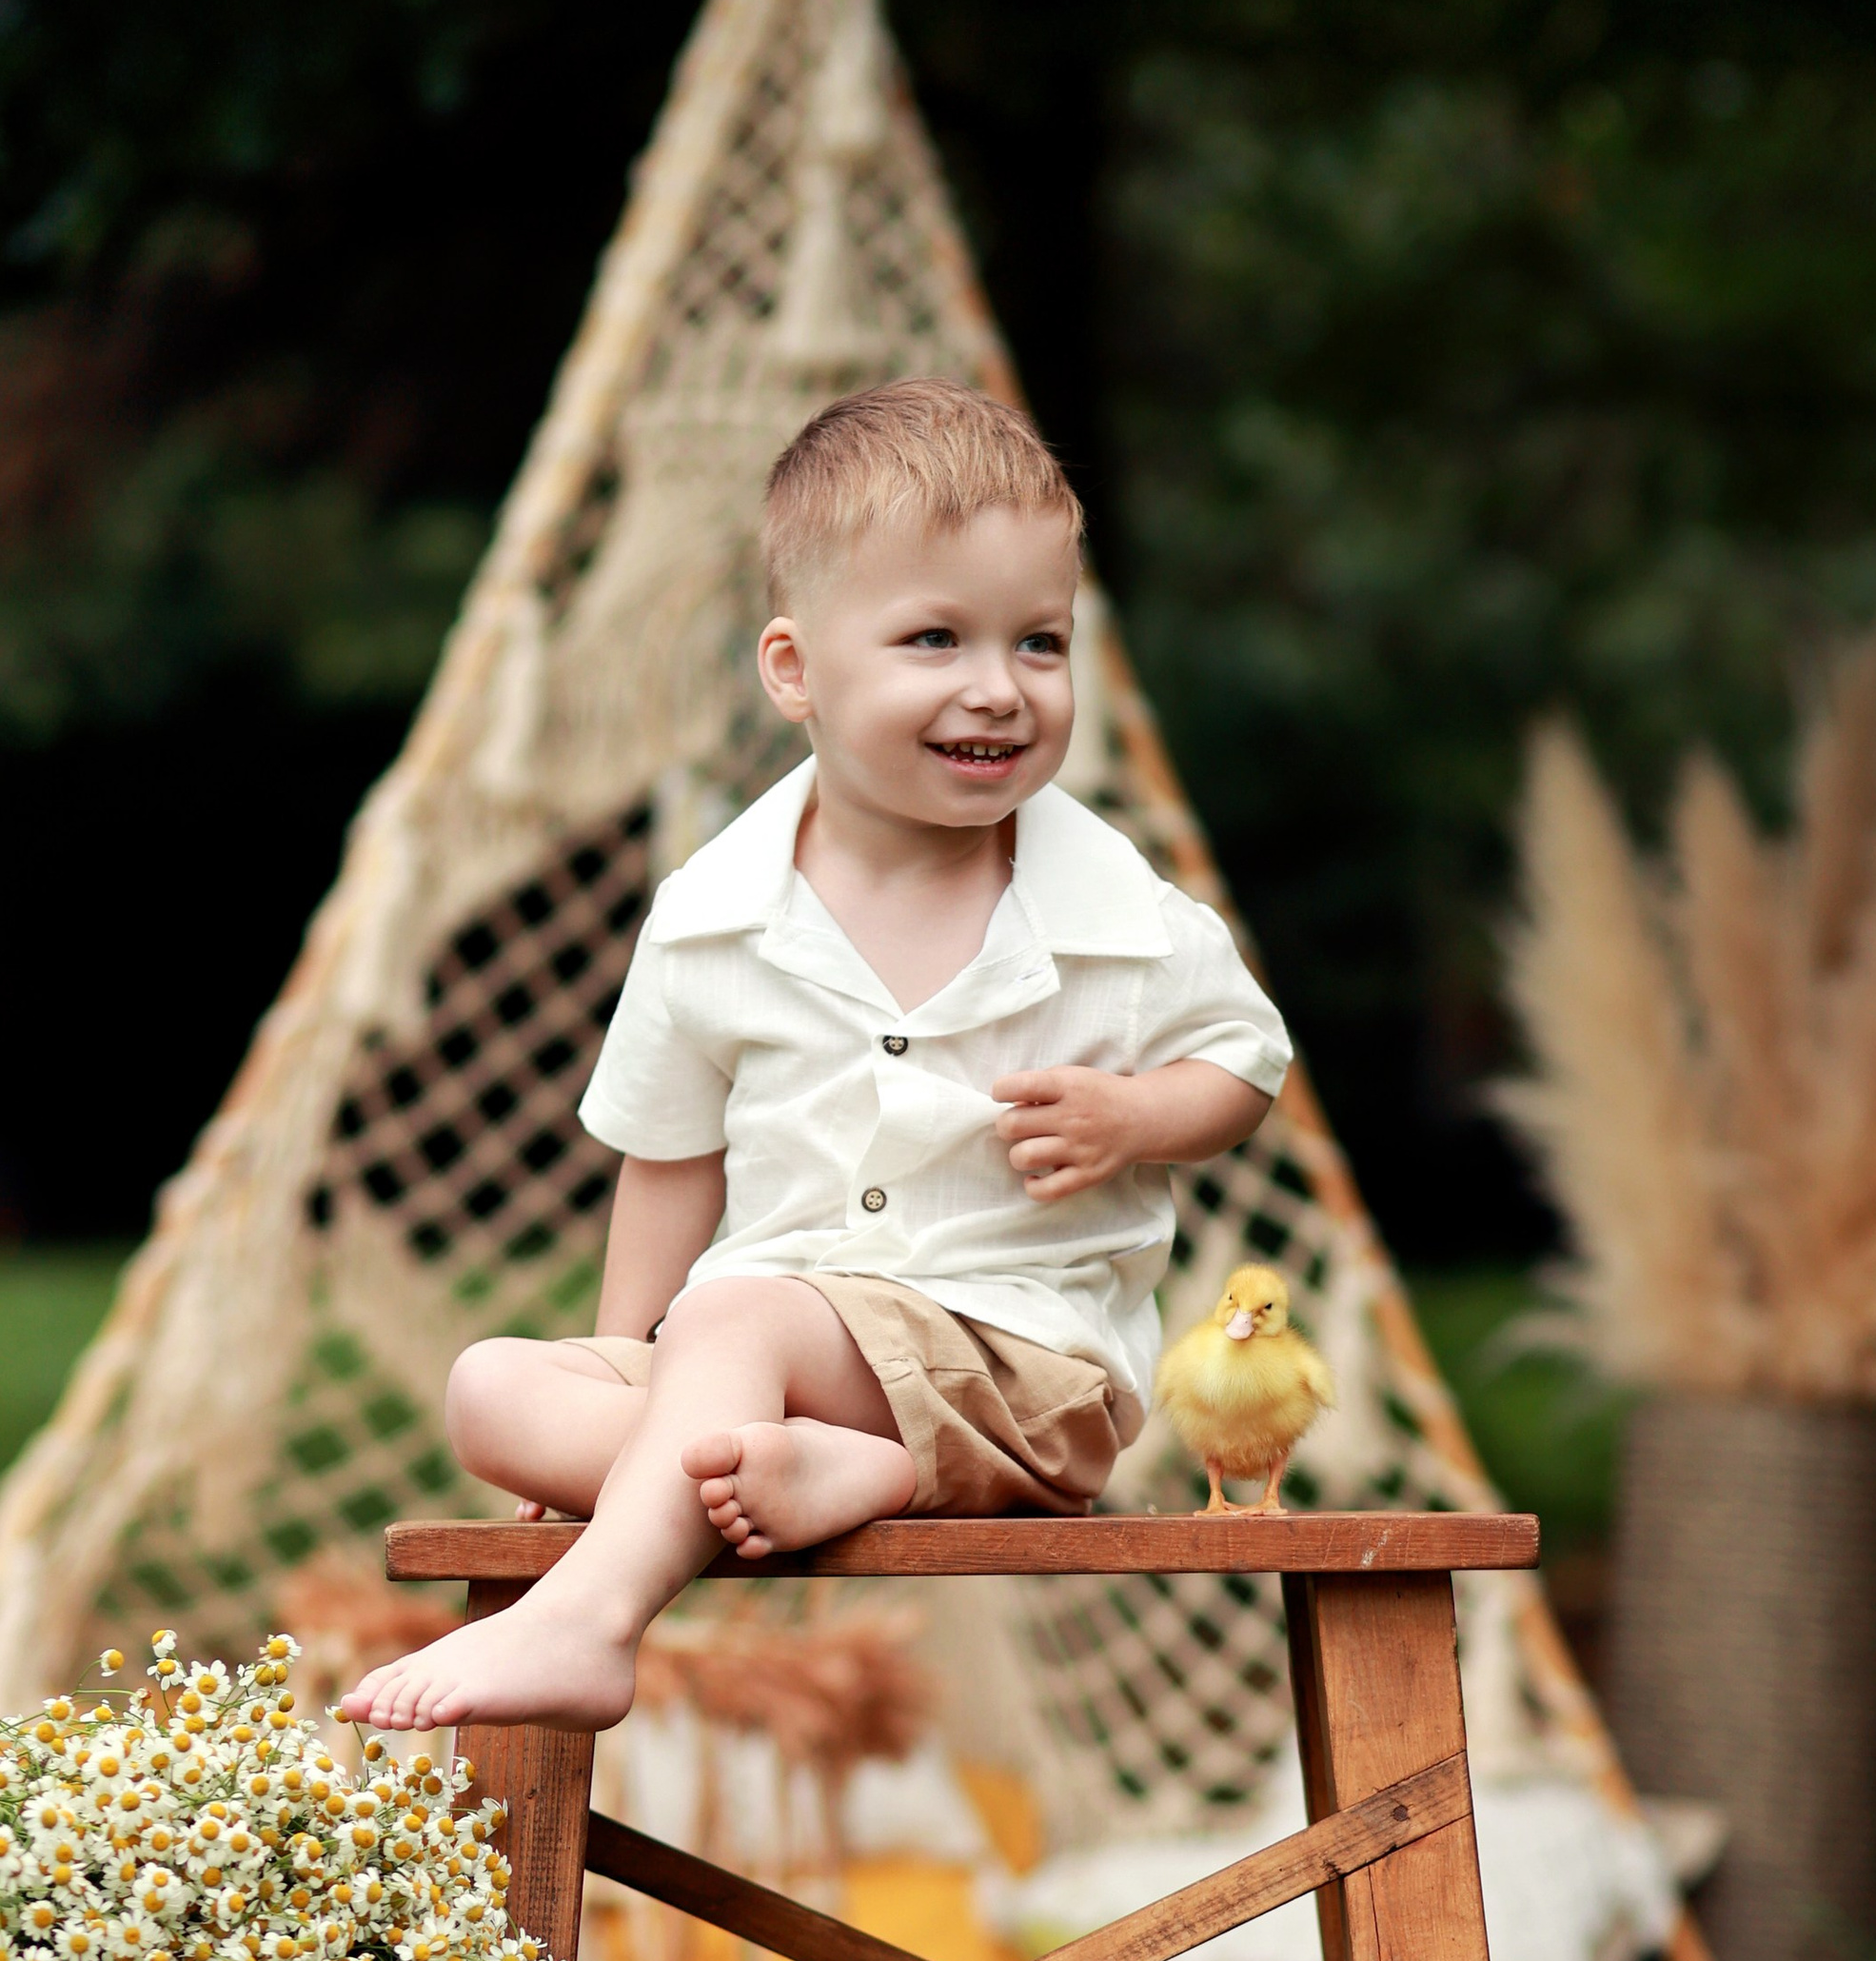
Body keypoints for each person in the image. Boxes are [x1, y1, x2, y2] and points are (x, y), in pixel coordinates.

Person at [342, 378, 1291, 1733]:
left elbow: (1244, 1066)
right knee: (494, 1388)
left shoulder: (1117, 912)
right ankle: (848, 1465)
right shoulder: (717, 915)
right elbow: (667, 1165)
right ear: (794, 670)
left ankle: (594, 1622)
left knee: (736, 1314)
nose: (997, 688)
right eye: (933, 639)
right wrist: (623, 1372)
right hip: (787, 1361)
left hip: (1025, 1364)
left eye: (1039, 642)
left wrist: (1138, 1116)